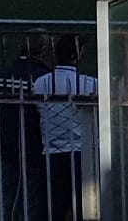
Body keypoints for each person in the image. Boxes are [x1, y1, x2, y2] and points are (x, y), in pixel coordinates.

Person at [0, 29, 51, 221]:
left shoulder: (1, 76)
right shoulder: (43, 79)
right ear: (44, 49)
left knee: (9, 201)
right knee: (34, 202)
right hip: (35, 149)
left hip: (6, 147)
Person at [30, 35, 95, 221]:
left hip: (52, 152)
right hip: (83, 153)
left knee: (53, 210)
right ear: (78, 55)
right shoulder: (90, 83)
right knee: (86, 209)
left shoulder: (41, 83)